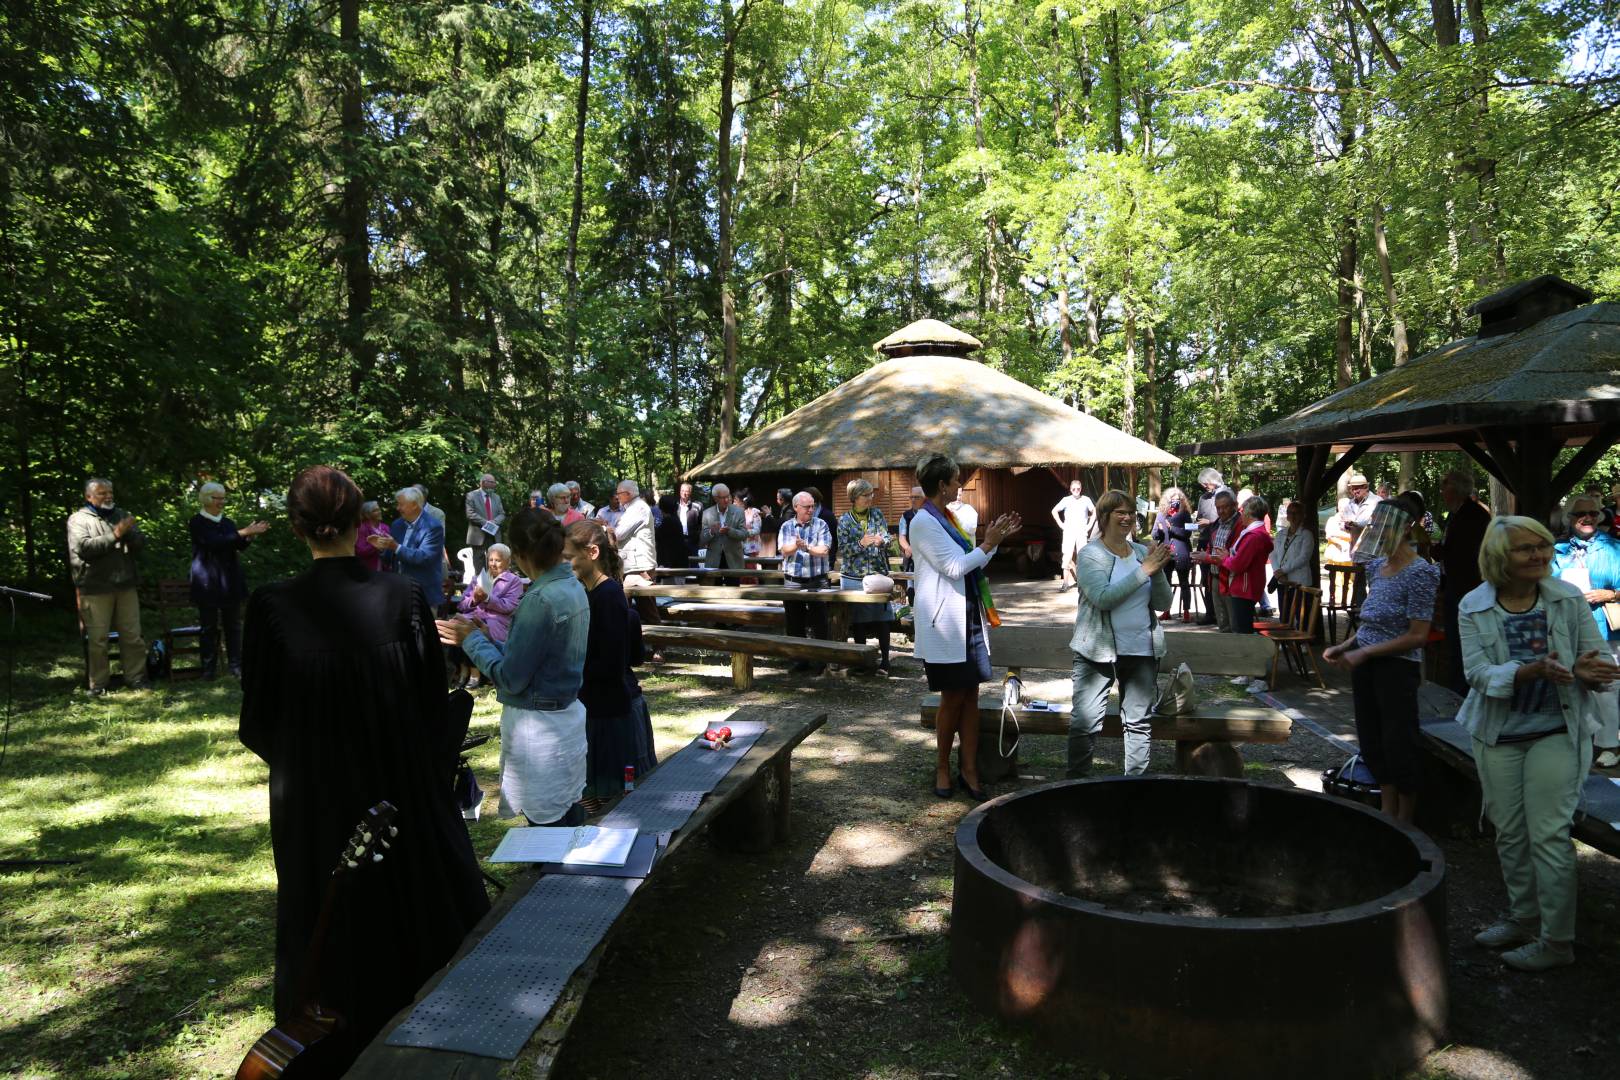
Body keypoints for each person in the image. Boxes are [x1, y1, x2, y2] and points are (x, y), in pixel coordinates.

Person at [239, 465, 489, 1049]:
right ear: (362, 521)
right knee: (414, 916)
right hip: (400, 794)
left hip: (315, 807)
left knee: (326, 923)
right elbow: (435, 704)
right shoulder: (400, 597)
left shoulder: (274, 607)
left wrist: (313, 763)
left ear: (298, 527)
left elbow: (259, 723)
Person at [1458, 515, 1620, 971]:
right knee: (1509, 830)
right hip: (1498, 731)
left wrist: (1588, 672)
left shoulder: (1566, 597)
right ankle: (1522, 917)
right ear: (1498, 557)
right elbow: (1476, 673)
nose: (1539, 556)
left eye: (1543, 546)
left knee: (1547, 834)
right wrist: (1526, 672)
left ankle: (1556, 941)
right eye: (1525, 549)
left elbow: (1594, 658)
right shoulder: (1474, 604)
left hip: (1557, 730)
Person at [438, 508, 590, 827]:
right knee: (566, 817)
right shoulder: (571, 585)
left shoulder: (541, 598)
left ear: (519, 555)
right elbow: (531, 656)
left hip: (541, 728)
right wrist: (485, 638)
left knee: (550, 830)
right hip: (563, 717)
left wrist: (471, 641)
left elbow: (512, 678)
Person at [1321, 495, 1440, 823]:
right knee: (1372, 741)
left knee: (1398, 742)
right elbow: (1374, 621)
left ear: (1405, 529)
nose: (1375, 531)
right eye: (1374, 525)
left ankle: (1406, 822)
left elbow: (1417, 635)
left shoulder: (1421, 573)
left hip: (1397, 669)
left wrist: (1364, 652)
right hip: (1366, 665)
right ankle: (1387, 814)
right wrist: (1347, 646)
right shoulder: (1377, 567)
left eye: (1381, 526)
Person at [910, 453, 1021, 800]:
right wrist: (986, 543)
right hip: (944, 623)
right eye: (956, 479)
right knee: (952, 698)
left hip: (969, 616)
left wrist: (993, 544)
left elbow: (970, 564)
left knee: (971, 696)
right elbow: (954, 568)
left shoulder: (948, 517)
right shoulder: (923, 522)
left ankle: (969, 767)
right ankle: (943, 766)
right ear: (942, 485)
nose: (960, 485)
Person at [1068, 490, 1173, 777]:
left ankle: (1133, 790)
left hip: (1141, 649)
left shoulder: (1141, 552)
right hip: (1097, 651)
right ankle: (1076, 787)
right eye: (1119, 512)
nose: (1127, 517)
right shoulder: (1092, 554)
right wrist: (1144, 572)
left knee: (1139, 722)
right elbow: (1102, 598)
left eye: (1130, 512)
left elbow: (1163, 604)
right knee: (1085, 722)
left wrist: (1157, 569)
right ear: (1104, 517)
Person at [564, 519, 657, 810]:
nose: (566, 564)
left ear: (592, 553)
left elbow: (610, 664)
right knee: (590, 796)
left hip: (610, 713)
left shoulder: (608, 596)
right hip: (592, 707)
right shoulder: (588, 593)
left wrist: (567, 669)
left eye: (569, 558)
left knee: (613, 801)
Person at [1551, 493, 1620, 767]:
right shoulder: (1558, 550)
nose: (1587, 518)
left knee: (1608, 684)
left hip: (1606, 626)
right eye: (1581, 514)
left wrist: (1609, 594)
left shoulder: (1614, 548)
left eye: (1592, 513)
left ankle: (1609, 745)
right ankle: (1581, 740)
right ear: (1570, 519)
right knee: (1573, 682)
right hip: (1568, 626)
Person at [68, 477, 150, 694]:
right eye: (103, 493)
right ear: (89, 497)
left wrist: (130, 534)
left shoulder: (120, 515)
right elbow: (84, 548)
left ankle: (136, 679)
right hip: (94, 588)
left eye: (110, 492)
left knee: (132, 636)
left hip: (125, 585)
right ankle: (98, 685)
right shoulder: (78, 520)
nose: (108, 496)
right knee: (98, 640)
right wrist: (115, 534)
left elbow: (140, 544)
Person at [189, 482, 269, 679]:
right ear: (207, 499)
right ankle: (208, 670)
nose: (222, 502)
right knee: (208, 628)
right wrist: (243, 533)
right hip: (206, 581)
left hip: (229, 581)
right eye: (218, 498)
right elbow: (213, 543)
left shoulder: (228, 523)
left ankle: (236, 667)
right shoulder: (197, 522)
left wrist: (249, 536)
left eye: (223, 498)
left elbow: (238, 545)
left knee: (233, 626)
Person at [1435, 469, 1492, 696]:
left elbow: (1462, 552)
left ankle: (1464, 691)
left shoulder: (1473, 515)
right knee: (1454, 641)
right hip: (1455, 586)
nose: (1442, 492)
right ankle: (1458, 689)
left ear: (1456, 490)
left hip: (1467, 588)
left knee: (1463, 642)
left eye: (1445, 487)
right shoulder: (1456, 514)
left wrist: (1437, 550)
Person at [837, 479, 897, 675]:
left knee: (882, 618)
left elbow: (888, 538)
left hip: (877, 574)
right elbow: (843, 550)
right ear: (854, 498)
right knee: (858, 621)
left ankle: (885, 661)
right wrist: (861, 544)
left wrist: (882, 541)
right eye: (866, 495)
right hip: (853, 577)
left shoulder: (877, 514)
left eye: (871, 494)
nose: (870, 498)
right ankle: (862, 662)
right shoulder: (844, 520)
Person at [449, 543, 524, 689]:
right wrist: (475, 599)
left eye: (498, 560)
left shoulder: (514, 581)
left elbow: (509, 606)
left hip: (497, 619)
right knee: (457, 625)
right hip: (475, 615)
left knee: (476, 627)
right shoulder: (479, 578)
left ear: (508, 562)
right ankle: (463, 669)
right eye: (491, 560)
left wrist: (488, 599)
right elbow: (462, 605)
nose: (493, 564)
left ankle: (475, 674)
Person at [778, 492, 834, 672]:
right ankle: (799, 660)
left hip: (817, 580)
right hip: (793, 581)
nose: (811, 509)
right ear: (796, 507)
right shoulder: (786, 526)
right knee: (794, 622)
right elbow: (784, 550)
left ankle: (821, 660)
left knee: (820, 622)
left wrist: (807, 547)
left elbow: (824, 550)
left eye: (812, 506)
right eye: (807, 507)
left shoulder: (821, 524)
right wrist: (796, 545)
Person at [1216, 495, 1274, 637]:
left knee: (1241, 631)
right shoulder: (1257, 533)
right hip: (1248, 586)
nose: (1240, 515)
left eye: (1242, 512)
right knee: (1242, 627)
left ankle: (1245, 658)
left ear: (1249, 513)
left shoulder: (1253, 536)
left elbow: (1237, 564)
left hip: (1244, 588)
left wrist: (1224, 559)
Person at [381, 486, 447, 605]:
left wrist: (396, 547)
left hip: (423, 594)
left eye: (401, 505)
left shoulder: (433, 527)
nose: (398, 508)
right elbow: (389, 558)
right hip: (399, 591)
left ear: (414, 505)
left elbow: (424, 557)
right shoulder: (397, 524)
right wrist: (382, 547)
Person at [1193, 490, 1240, 631]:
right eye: (1218, 507)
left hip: (1231, 579)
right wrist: (1203, 556)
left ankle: (1236, 652)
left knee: (1235, 622)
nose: (1221, 511)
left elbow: (1236, 555)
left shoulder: (1240, 524)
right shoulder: (1215, 524)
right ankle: (1225, 651)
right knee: (1222, 622)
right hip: (1215, 577)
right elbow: (1211, 547)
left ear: (1234, 505)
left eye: (1224, 507)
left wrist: (1206, 557)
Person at [1152, 488, 1194, 621]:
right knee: (1166, 583)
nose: (1175, 502)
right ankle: (1166, 611)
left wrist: (1172, 529)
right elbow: (1154, 535)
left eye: (1178, 499)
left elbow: (1188, 533)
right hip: (1165, 552)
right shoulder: (1161, 515)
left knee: (1184, 583)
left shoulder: (1185, 514)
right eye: (1172, 499)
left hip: (1181, 552)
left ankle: (1186, 612)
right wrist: (1160, 530)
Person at [1052, 479, 1099, 593]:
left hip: (1081, 531)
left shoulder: (1086, 499)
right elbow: (1054, 511)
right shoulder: (1066, 500)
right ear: (1070, 489)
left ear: (1081, 489)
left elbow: (1095, 511)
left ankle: (1082, 583)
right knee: (1067, 556)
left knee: (1082, 556)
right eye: (1074, 489)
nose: (1076, 491)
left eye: (1078, 489)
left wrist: (1089, 525)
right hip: (1069, 531)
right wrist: (1061, 525)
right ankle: (1065, 583)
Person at [611, 479, 658, 586]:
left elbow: (619, 534)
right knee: (638, 601)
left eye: (618, 493)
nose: (617, 497)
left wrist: (606, 528)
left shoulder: (638, 508)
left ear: (628, 494)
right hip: (636, 566)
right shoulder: (634, 507)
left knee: (646, 602)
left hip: (640, 568)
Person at [1269, 498, 1316, 605]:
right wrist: (1278, 572)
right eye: (1290, 513)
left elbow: (1304, 557)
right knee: (1284, 617)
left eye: (1296, 513)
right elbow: (1273, 554)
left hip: (1299, 581)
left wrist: (1283, 570)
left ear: (1302, 515)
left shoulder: (1307, 535)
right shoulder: (1280, 534)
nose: (1293, 516)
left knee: (1301, 617)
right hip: (1282, 581)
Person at [701, 482, 750, 583]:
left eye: (728, 496)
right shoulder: (707, 513)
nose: (727, 500)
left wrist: (730, 531)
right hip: (714, 560)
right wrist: (711, 531)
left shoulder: (739, 512)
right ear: (715, 498)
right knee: (714, 594)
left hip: (733, 560)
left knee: (734, 593)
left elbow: (744, 534)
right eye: (723, 497)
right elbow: (702, 539)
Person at [464, 473, 507, 574]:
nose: (494, 485)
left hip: (493, 535)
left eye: (494, 483)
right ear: (483, 483)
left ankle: (494, 585)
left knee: (494, 561)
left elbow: (502, 514)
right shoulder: (471, 495)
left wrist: (494, 522)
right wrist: (486, 523)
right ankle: (481, 585)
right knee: (479, 563)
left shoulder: (497, 497)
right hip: (478, 534)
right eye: (491, 482)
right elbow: (470, 514)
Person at [1342, 472, 1381, 560]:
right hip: (1355, 549)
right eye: (1352, 489)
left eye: (1357, 488)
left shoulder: (1377, 501)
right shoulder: (1349, 503)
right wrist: (1346, 525)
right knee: (1357, 572)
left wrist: (1356, 524)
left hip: (1372, 550)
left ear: (1366, 487)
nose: (1354, 491)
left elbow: (1376, 524)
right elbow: (1342, 522)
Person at [654, 492, 688, 574]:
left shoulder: (669, 521)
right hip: (676, 563)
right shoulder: (675, 520)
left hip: (672, 566)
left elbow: (661, 539)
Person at [807, 486, 840, 564]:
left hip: (826, 558)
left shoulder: (828, 515)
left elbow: (835, 537)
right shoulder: (804, 515)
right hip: (808, 559)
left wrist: (832, 555)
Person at [355, 500, 391, 572]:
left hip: (385, 569)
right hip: (368, 569)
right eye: (375, 510)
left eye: (379, 509)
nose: (379, 512)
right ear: (367, 515)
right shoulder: (362, 528)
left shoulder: (385, 527)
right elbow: (361, 551)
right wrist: (376, 545)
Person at [675, 482, 703, 560]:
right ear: (680, 492)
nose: (684, 493)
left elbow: (701, 523)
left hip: (692, 541)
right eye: (682, 490)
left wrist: (697, 536)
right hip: (679, 540)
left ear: (690, 492)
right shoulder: (675, 505)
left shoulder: (697, 505)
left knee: (694, 562)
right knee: (680, 563)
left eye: (686, 491)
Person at [737, 488, 763, 560]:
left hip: (751, 545)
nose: (734, 503)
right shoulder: (741, 512)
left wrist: (744, 532)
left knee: (750, 566)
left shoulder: (754, 513)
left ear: (743, 502)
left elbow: (757, 530)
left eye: (736, 501)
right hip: (741, 545)